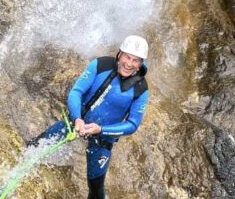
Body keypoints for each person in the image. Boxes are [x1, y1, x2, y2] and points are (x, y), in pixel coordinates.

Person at [34, 35, 150, 199]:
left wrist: (101, 129)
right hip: (76, 122)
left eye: (136, 60)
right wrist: (77, 119)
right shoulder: (101, 65)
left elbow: (132, 124)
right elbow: (76, 92)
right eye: (127, 57)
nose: (129, 64)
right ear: (119, 54)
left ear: (140, 64)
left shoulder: (141, 89)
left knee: (96, 188)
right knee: (34, 147)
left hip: (102, 137)